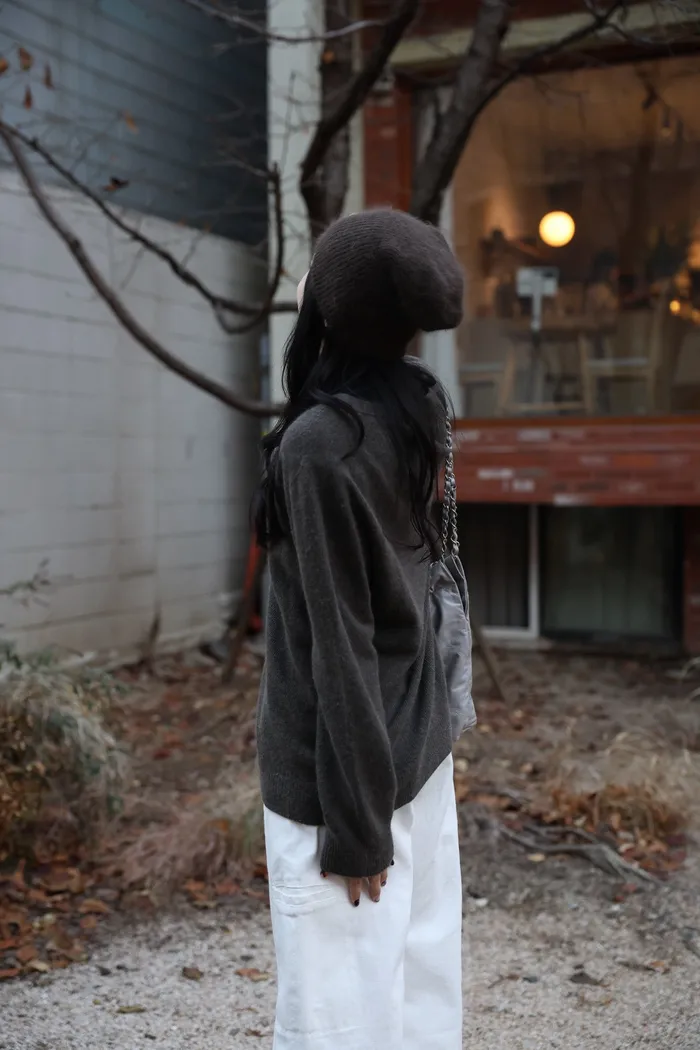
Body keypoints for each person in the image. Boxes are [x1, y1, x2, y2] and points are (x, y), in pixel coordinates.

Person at [254, 208, 465, 1050]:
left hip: (344, 775)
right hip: (418, 745)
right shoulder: (416, 406)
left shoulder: (319, 444)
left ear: (330, 305)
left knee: (337, 1017)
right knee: (419, 996)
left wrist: (355, 825)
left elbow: (340, 641)